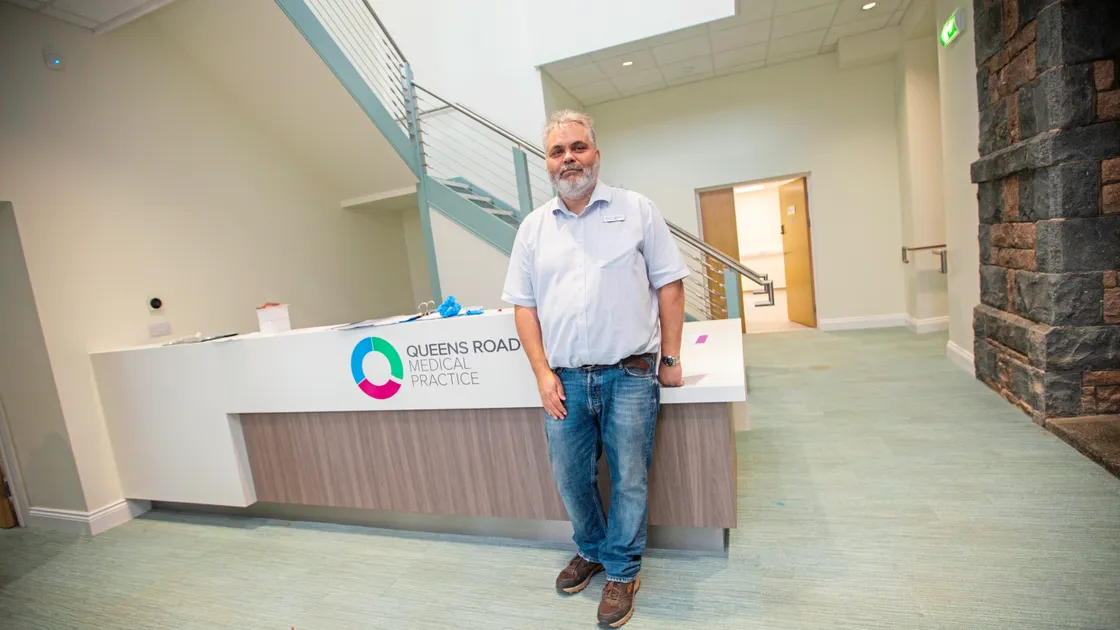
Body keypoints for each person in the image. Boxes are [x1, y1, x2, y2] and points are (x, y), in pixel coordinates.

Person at [501, 110, 688, 628]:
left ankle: (622, 570)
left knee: (629, 478)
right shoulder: (533, 229)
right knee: (570, 478)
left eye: (578, 148)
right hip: (563, 379)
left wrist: (670, 359)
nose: (569, 159)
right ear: (548, 163)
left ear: (596, 155)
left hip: (629, 375)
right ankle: (591, 549)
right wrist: (541, 372)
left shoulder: (637, 210)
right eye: (558, 152)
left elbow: (670, 285)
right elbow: (524, 306)